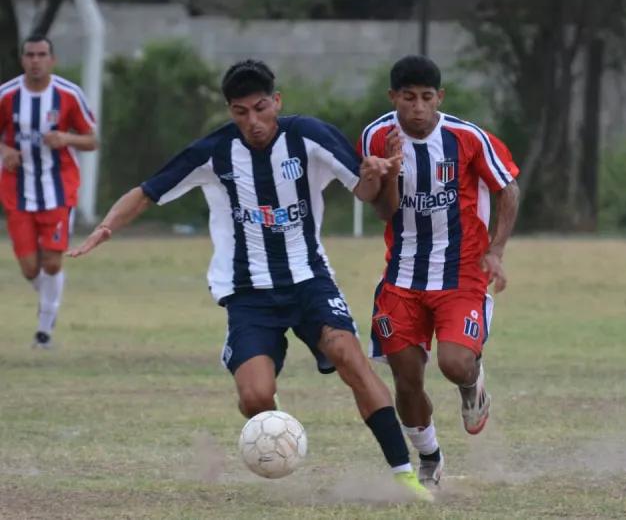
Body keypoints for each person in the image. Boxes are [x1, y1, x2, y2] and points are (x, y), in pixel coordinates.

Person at [68, 59, 432, 501]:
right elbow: (147, 191)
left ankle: (405, 476)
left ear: (276, 102)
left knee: (348, 356)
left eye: (261, 109)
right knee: (256, 398)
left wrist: (380, 176)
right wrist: (106, 227)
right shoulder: (213, 152)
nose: (254, 122)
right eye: (241, 113)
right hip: (248, 293)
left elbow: (367, 194)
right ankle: (269, 423)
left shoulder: (309, 136)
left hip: (309, 280)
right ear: (230, 112)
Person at [360, 55, 520, 488]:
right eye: (408, 98)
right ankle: (429, 455)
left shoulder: (467, 138)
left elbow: (508, 189)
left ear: (439, 98)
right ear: (393, 97)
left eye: (426, 98)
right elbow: (381, 211)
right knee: (406, 380)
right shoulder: (376, 136)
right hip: (402, 276)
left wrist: (497, 251)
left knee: (454, 363)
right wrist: (389, 171)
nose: (417, 107)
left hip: (461, 273)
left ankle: (472, 384)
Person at [0, 35, 98, 348]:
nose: (35, 60)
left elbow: (92, 140)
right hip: (17, 190)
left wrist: (66, 139)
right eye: (30, 54)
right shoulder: (6, 95)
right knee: (30, 268)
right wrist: (5, 149)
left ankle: (44, 329)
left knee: (53, 264)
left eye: (42, 54)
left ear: (52, 60)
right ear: (22, 59)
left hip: (58, 189)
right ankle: (50, 301)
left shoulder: (68, 94)